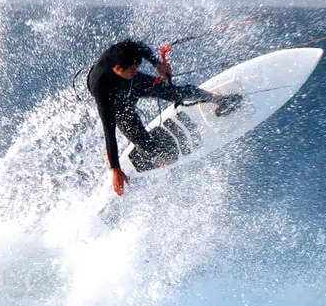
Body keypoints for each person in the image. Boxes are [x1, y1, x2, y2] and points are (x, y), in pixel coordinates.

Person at [87, 40, 242, 196]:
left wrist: (157, 64)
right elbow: (109, 129)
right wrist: (115, 168)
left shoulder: (125, 52)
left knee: (173, 92)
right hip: (117, 103)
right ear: (118, 68)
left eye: (137, 68)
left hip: (130, 84)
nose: (136, 71)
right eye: (133, 69)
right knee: (152, 151)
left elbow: (138, 47)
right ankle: (116, 156)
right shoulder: (101, 89)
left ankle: (219, 100)